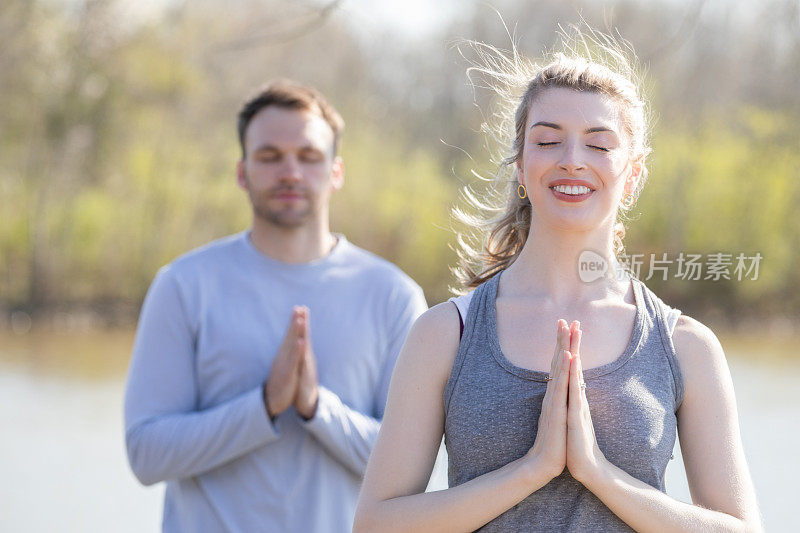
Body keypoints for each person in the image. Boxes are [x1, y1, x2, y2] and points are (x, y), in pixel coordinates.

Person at [354, 29, 763, 532]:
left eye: (598, 144)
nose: (572, 159)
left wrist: (599, 474)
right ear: (522, 168)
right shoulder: (444, 333)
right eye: (548, 141)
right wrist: (532, 470)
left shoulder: (685, 345)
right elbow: (375, 524)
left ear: (632, 177)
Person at [124, 79, 427, 532]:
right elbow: (146, 454)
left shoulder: (393, 296)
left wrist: (315, 409)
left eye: (308, 157)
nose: (290, 172)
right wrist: (263, 406)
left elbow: (415, 475)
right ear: (242, 171)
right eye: (269, 157)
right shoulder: (183, 285)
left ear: (336, 172)